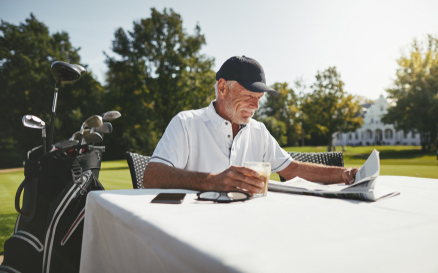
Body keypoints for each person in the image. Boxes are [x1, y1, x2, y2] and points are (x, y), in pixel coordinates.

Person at [143, 55, 359, 195]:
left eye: (259, 97)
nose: (255, 105)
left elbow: (292, 169)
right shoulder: (186, 124)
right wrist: (212, 181)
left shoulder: (258, 131)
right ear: (222, 88)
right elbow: (152, 176)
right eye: (248, 95)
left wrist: (344, 173)